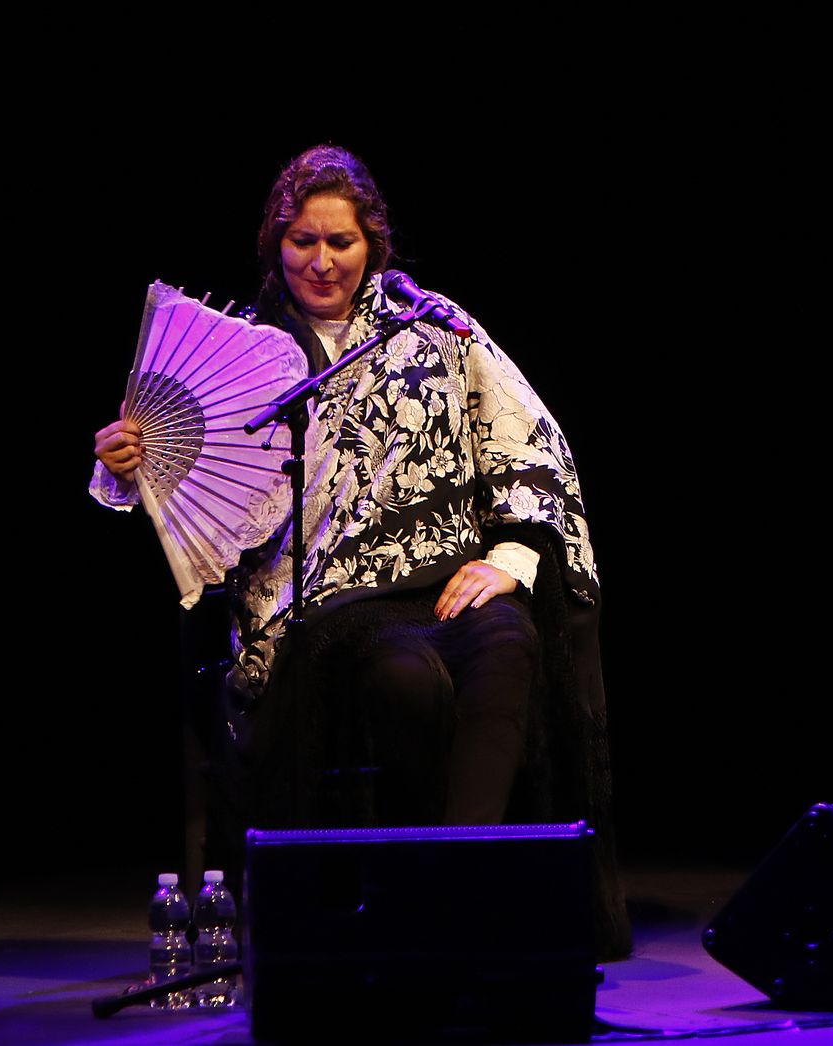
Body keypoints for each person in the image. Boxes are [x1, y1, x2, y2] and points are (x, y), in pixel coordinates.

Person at [93, 145, 629, 957]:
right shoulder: (243, 356)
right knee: (403, 679)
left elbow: (531, 442)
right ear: (277, 245)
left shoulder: (436, 329)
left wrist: (511, 559)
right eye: (303, 241)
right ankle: (437, 900)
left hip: (443, 579)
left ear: (371, 244)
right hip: (327, 602)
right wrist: (124, 472)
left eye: (339, 242)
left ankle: (457, 888)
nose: (321, 261)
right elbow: (185, 491)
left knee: (511, 640)